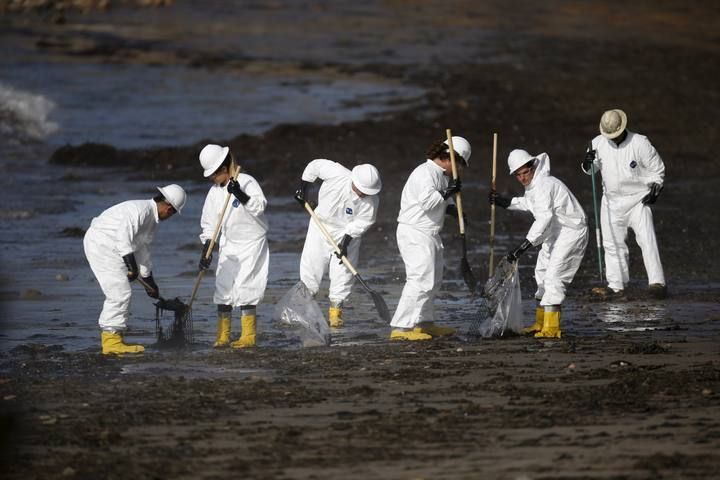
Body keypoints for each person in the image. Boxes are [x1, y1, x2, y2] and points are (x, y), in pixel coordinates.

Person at [490, 149, 588, 338]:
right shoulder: (535, 186)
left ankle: (551, 328)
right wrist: (504, 202)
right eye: (518, 175)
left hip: (572, 231)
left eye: (525, 172)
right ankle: (540, 322)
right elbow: (530, 203)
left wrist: (523, 247)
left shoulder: (544, 184)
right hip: (555, 231)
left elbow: (543, 218)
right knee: (541, 274)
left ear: (533, 167)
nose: (522, 178)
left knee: (553, 277)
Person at [84, 184, 187, 354]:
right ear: (168, 207)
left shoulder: (151, 220)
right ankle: (111, 343)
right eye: (173, 213)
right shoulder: (139, 211)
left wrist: (149, 280)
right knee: (119, 292)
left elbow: (142, 249)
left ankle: (114, 338)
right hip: (101, 243)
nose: (170, 216)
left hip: (113, 246)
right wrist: (131, 266)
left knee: (121, 291)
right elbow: (123, 238)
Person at [390, 136, 471, 341]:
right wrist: (448, 192)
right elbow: (428, 202)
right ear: (450, 157)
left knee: (433, 280)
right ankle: (401, 326)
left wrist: (454, 210)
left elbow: (443, 200)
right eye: (460, 165)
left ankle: (424, 323)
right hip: (415, 231)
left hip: (430, 232)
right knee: (420, 279)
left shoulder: (441, 175)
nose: (459, 170)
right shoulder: (424, 173)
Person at [583, 109, 666, 299]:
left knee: (647, 239)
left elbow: (657, 169)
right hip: (611, 201)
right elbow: (591, 171)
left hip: (638, 199)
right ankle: (616, 284)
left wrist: (656, 187)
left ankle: (657, 282)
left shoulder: (640, 142)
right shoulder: (596, 144)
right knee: (612, 243)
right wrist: (587, 163)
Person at [294, 160, 382, 327]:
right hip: (320, 224)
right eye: (361, 190)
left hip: (346, 232)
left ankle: (335, 317)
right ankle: (304, 311)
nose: (363, 194)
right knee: (311, 266)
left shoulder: (371, 201)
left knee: (343, 273)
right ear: (354, 181)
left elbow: (362, 222)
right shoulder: (337, 173)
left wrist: (346, 243)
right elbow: (314, 166)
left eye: (367, 192)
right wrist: (303, 189)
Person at [198, 144, 269, 349]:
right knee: (224, 286)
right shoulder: (214, 193)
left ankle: (248, 335)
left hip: (252, 242)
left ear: (223, 168)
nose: (212, 179)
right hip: (230, 244)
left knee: (247, 285)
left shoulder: (246, 181)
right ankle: (223, 335)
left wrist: (241, 195)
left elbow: (260, 207)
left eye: (213, 174)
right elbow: (210, 223)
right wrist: (207, 249)